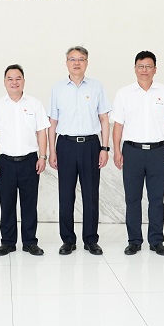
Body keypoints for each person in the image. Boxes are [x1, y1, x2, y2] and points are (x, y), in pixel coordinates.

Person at [111, 51, 164, 257]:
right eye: (140, 66)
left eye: (148, 66)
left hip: (158, 151)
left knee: (157, 199)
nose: (144, 70)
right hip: (132, 152)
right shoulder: (124, 93)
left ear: (155, 69)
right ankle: (134, 241)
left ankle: (156, 241)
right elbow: (118, 125)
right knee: (132, 199)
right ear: (135, 69)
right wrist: (116, 150)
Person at [48, 46, 111, 256]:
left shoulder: (96, 86)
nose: (77, 63)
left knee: (91, 195)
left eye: (81, 59)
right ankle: (68, 240)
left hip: (91, 146)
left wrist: (104, 148)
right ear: (66, 62)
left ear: (87, 62)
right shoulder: (57, 88)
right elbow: (52, 122)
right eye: (73, 59)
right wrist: (52, 151)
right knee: (66, 195)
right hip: (65, 145)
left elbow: (104, 119)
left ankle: (91, 239)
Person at [0, 64, 49, 256]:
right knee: (7, 204)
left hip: (30, 161)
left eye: (18, 78)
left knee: (29, 204)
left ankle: (30, 242)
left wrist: (42, 156)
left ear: (24, 81)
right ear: (4, 82)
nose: (14, 82)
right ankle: (7, 242)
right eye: (10, 79)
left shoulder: (35, 104)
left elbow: (42, 132)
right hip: (5, 162)